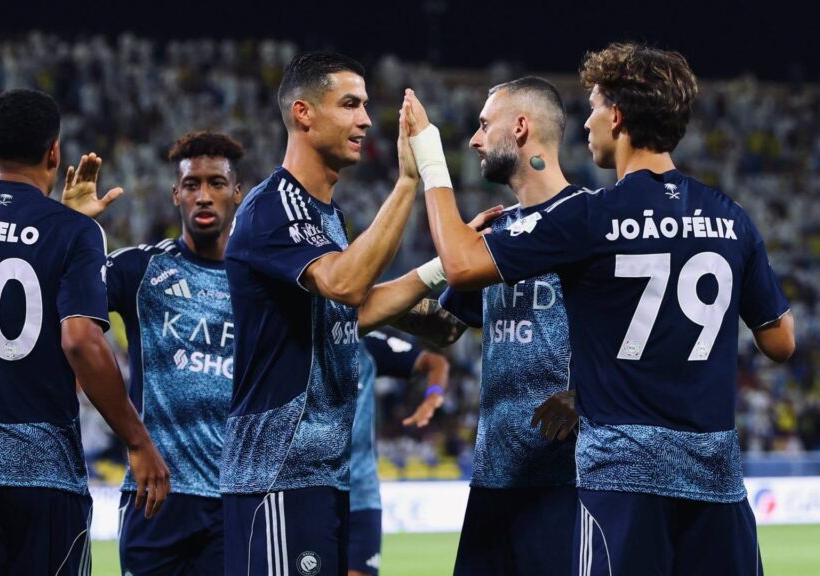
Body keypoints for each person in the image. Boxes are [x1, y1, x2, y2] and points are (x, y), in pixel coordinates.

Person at [405, 42, 795, 576]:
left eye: (592, 108)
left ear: (616, 117)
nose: (586, 123)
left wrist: (428, 156)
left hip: (621, 483)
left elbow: (460, 266)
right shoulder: (732, 218)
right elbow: (781, 342)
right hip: (716, 484)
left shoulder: (592, 217)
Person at [0, 88, 169, 576]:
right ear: (54, 152)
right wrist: (138, 441)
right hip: (46, 482)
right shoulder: (74, 231)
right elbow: (79, 339)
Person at [221, 51, 448, 576]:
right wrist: (408, 182)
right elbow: (346, 285)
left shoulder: (327, 217)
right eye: (349, 104)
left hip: (322, 474)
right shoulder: (275, 204)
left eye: (365, 105)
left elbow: (350, 312)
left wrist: (446, 269)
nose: (365, 120)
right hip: (277, 473)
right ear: (303, 113)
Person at [62, 131, 245, 574]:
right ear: (176, 194)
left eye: (217, 183)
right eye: (192, 184)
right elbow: (61, 300)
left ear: (237, 193)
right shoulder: (140, 268)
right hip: (155, 495)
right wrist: (73, 228)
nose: (204, 196)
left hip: (235, 499)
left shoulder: (258, 281)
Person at [438, 76, 582, 576]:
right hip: (492, 483)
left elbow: (641, 335)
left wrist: (586, 392)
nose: (475, 140)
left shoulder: (588, 220)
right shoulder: (497, 231)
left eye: (484, 125)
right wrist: (345, 311)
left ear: (520, 128)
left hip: (568, 484)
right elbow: (444, 327)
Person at [348, 331, 450, 576]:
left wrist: (433, 395)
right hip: (313, 491)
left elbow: (436, 362)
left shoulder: (367, 344)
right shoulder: (299, 341)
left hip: (362, 493)